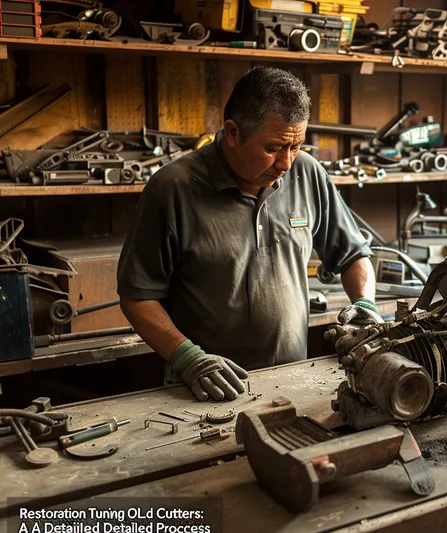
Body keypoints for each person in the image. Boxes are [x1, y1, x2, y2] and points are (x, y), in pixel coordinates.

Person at [117, 67, 381, 402]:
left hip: (293, 381)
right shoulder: (172, 189)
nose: (286, 162)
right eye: (273, 148)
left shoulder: (307, 173)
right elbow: (137, 296)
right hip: (204, 390)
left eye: (296, 146)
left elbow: (354, 256)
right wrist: (188, 359)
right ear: (233, 132)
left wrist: (364, 302)